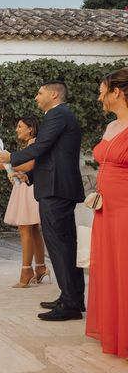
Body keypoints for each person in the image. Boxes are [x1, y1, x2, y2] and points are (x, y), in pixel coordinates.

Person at [0, 81, 85, 321]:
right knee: (63, 244)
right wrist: (31, 175)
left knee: (60, 245)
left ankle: (70, 303)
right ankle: (72, 296)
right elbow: (51, 155)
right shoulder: (58, 116)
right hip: (53, 186)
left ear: (54, 94)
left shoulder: (58, 114)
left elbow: (42, 148)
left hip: (56, 189)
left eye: (40, 92)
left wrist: (11, 157)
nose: (36, 97)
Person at [86, 68, 128, 357]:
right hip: (105, 209)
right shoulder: (112, 125)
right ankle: (116, 330)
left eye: (103, 90)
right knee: (110, 268)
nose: (99, 96)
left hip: (126, 208)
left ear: (117, 91)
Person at [0, 117, 48, 288]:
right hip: (26, 187)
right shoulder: (30, 144)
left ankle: (26, 271)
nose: (17, 129)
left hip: (29, 188)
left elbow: (29, 167)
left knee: (25, 228)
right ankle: (40, 267)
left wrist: (8, 165)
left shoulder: (34, 144)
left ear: (30, 129)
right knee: (33, 229)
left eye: (20, 126)